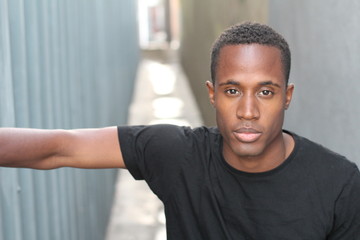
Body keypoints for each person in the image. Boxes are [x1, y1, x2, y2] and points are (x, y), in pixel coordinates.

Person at [0, 22, 359, 239]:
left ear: (287, 97)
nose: (248, 111)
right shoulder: (179, 157)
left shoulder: (338, 184)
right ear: (212, 94)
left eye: (266, 92)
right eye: (232, 90)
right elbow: (61, 147)